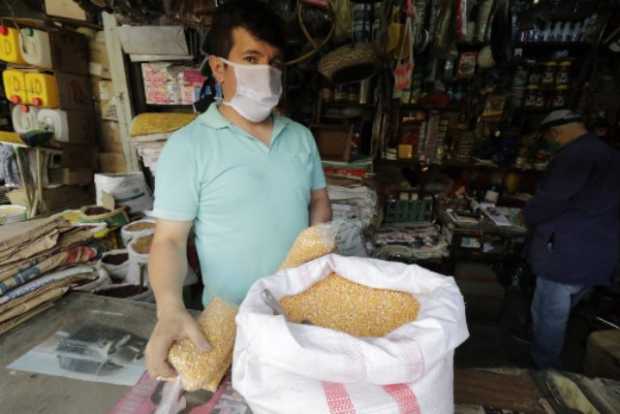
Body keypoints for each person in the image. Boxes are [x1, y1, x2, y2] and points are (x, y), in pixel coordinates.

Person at [144, 1, 332, 380]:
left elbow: (319, 203)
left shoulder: (300, 137)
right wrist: (169, 308)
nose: (266, 72)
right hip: (231, 320)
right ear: (219, 67)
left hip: (299, 312)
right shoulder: (188, 146)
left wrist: (315, 261)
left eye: (274, 62)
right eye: (251, 58)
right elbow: (169, 240)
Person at [524, 110, 620, 369]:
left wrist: (528, 214)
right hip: (600, 252)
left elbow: (551, 200)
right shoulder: (610, 154)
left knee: (549, 316)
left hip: (566, 254)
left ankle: (544, 375)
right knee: (561, 311)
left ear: (555, 133)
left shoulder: (574, 156)